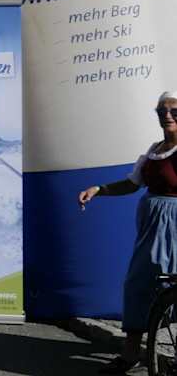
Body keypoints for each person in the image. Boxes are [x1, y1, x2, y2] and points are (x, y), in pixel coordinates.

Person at [77, 91, 177, 374]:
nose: (167, 116)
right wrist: (100, 190)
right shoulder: (155, 150)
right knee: (140, 284)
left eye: (174, 111)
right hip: (152, 228)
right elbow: (132, 184)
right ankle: (131, 353)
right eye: (162, 111)